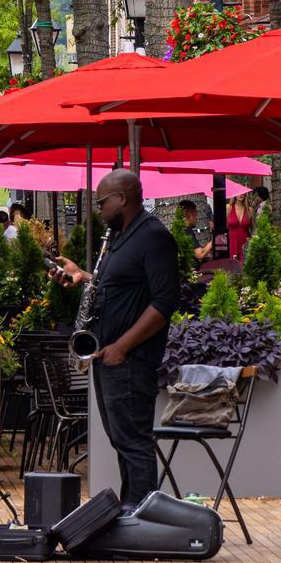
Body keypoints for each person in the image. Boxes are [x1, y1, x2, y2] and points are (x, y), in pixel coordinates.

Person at [55, 170, 178, 508]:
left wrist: (122, 347)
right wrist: (82, 276)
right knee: (120, 439)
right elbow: (120, 285)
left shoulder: (153, 237)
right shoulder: (120, 237)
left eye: (102, 202)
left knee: (133, 441)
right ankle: (131, 509)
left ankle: (141, 515)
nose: (99, 209)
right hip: (107, 356)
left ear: (123, 198)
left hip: (130, 360)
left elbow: (164, 302)